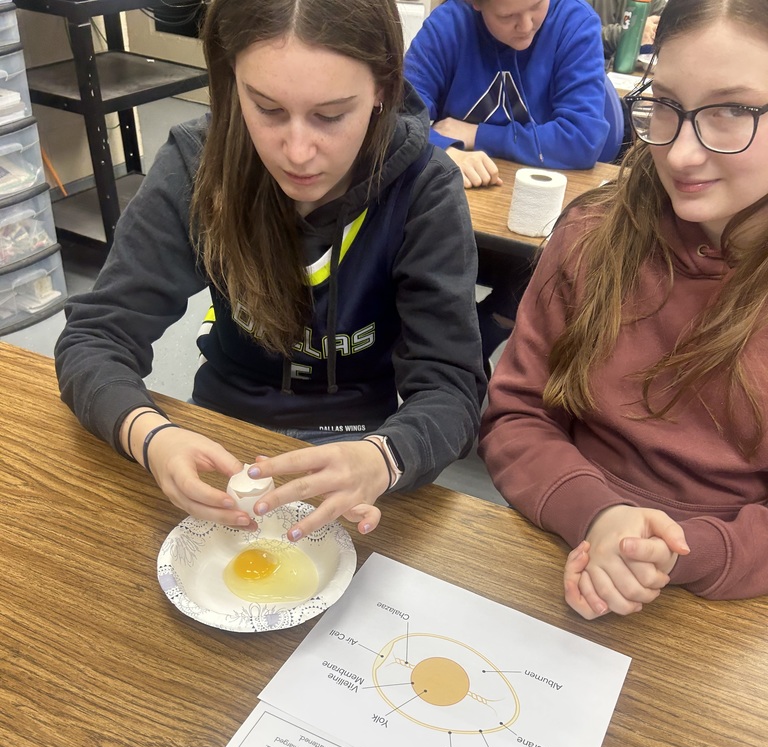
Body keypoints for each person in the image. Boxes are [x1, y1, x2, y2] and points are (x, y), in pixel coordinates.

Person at [54, 0, 485, 542]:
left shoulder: (425, 187)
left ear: (383, 89)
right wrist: (151, 438)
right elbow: (94, 337)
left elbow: (451, 387)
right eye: (267, 108)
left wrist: (385, 457)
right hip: (226, 435)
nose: (298, 152)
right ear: (231, 81)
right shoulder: (197, 164)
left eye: (331, 116)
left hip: (362, 447)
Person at [479, 0, 768, 617]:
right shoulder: (593, 233)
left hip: (731, 607)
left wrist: (683, 552)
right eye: (664, 105)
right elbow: (516, 415)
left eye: (730, 112)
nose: (683, 154)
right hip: (561, 543)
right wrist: (599, 514)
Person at [403, 0, 621, 191]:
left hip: (544, 195)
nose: (526, 26)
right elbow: (395, 118)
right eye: (507, 16)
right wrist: (443, 151)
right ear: (475, 3)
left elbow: (583, 139)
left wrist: (476, 135)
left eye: (537, 5)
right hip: (459, 197)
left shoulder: (575, 23)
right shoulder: (448, 25)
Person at [588, 0, 666, 64]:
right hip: (590, 66)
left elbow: (666, 26)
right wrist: (632, 32)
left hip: (632, 71)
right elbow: (583, 35)